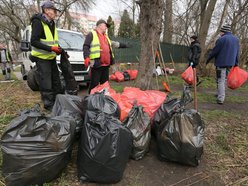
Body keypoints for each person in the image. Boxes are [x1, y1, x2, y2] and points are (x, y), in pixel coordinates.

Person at [30, 1, 63, 110]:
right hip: (42, 59)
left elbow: (52, 41)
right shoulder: (38, 22)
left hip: (51, 57)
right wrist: (51, 48)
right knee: (46, 83)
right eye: (54, 11)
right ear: (47, 10)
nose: (55, 13)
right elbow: (34, 41)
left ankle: (58, 103)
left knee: (56, 81)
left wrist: (58, 48)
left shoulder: (51, 23)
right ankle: (49, 106)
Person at [83, 19, 129, 93]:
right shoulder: (92, 34)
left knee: (105, 85)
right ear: (100, 25)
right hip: (96, 64)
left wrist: (125, 45)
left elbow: (114, 44)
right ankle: (90, 100)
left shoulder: (106, 37)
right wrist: (86, 57)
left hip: (106, 65)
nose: (106, 27)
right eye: (105, 25)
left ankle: (103, 101)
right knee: (94, 85)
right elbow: (86, 46)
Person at [206, 24, 239, 104]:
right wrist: (236, 63)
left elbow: (215, 51)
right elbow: (237, 52)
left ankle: (221, 98)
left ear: (223, 32)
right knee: (223, 79)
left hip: (221, 63)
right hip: (230, 63)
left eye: (220, 31)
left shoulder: (221, 39)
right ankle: (220, 94)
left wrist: (207, 60)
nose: (220, 33)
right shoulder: (236, 39)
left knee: (220, 80)